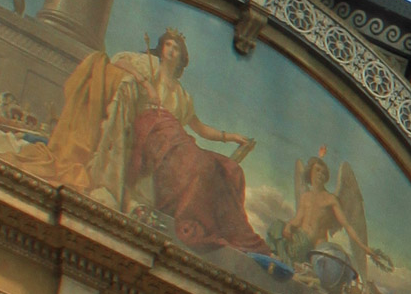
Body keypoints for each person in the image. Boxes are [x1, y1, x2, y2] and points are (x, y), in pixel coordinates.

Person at [39, 28, 265, 254]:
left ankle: (232, 232)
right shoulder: (149, 66)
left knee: (227, 169)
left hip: (175, 139)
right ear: (161, 48)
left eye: (176, 49)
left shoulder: (182, 95)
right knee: (200, 165)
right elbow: (118, 60)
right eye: (168, 45)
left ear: (182, 57)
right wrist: (145, 83)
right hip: (150, 132)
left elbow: (200, 128)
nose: (171, 51)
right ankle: (194, 218)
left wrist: (230, 137)